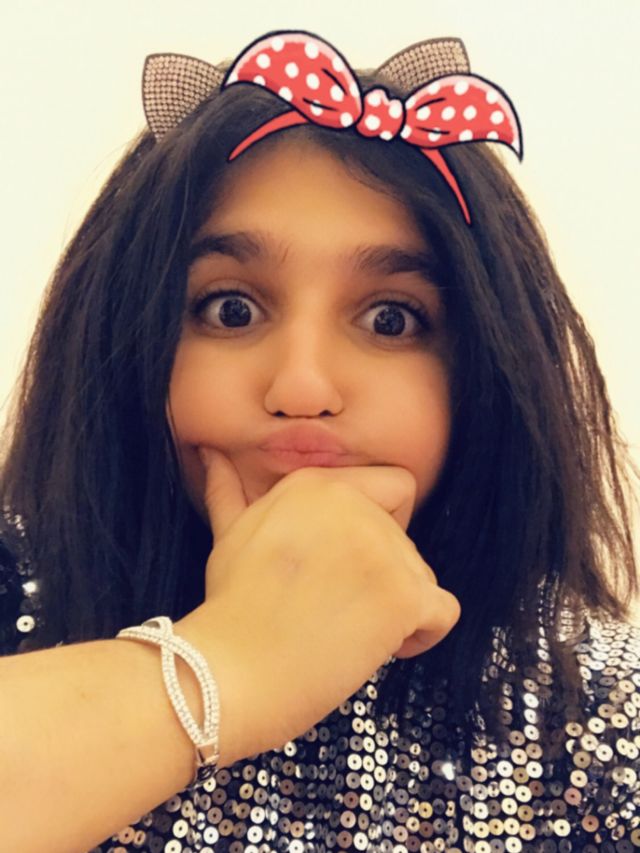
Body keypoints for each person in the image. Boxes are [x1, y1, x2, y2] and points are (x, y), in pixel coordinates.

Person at [0, 29, 639, 853]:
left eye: (391, 319)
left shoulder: (604, 719)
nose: (302, 387)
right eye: (231, 309)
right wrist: (223, 664)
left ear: (489, 370)